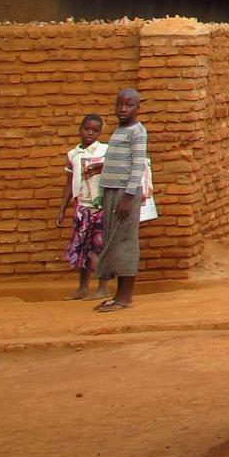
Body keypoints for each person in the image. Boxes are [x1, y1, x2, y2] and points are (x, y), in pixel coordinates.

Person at [93, 88, 147, 312]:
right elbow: (122, 161)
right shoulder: (120, 130)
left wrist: (127, 197)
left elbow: (137, 165)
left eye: (129, 105)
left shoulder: (137, 131)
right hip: (112, 191)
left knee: (125, 242)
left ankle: (125, 297)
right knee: (113, 241)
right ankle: (117, 294)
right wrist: (102, 166)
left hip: (125, 194)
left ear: (137, 108)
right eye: (119, 105)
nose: (123, 109)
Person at [58, 115, 108, 299]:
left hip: (101, 207)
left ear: (100, 132)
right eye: (87, 129)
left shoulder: (105, 151)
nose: (90, 133)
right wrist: (62, 209)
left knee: (101, 247)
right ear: (80, 129)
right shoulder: (73, 155)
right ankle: (82, 288)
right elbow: (70, 182)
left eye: (95, 130)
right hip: (82, 208)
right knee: (83, 248)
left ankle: (103, 287)